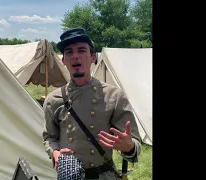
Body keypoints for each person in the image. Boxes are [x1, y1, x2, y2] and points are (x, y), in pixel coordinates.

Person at [42, 28, 142, 180]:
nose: (75, 56)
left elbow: (134, 142)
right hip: (69, 176)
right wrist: (55, 154)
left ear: (93, 57)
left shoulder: (114, 96)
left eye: (81, 50)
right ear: (63, 60)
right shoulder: (53, 99)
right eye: (69, 52)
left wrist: (129, 147)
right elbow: (49, 137)